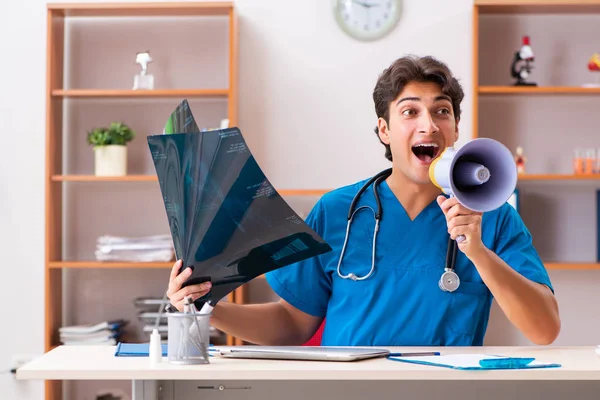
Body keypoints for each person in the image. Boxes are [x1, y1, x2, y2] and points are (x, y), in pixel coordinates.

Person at [166, 55, 561, 347]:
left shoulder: (493, 218)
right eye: (410, 111)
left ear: (455, 128)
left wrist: (476, 252)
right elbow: (294, 323)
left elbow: (544, 330)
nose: (429, 124)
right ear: (385, 130)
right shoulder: (336, 211)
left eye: (442, 111)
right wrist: (207, 308)